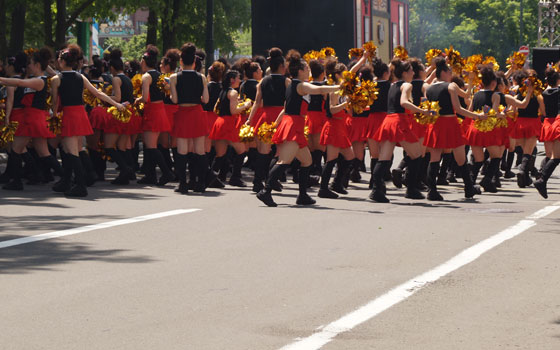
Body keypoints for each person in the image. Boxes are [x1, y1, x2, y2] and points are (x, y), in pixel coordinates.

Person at [256, 50, 340, 207]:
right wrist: (339, 87)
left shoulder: (292, 84)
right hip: (293, 125)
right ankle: (265, 191)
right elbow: (320, 89)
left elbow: (285, 108)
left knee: (307, 161)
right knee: (284, 160)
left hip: (294, 124)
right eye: (306, 69)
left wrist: (276, 124)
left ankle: (302, 195)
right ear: (300, 71)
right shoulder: (299, 85)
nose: (308, 71)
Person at [50, 44, 124, 197]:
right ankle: (69, 180)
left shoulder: (56, 79)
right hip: (80, 113)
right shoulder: (80, 76)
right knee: (74, 148)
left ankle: (80, 185)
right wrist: (116, 104)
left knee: (71, 151)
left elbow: (54, 101)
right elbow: (97, 93)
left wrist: (54, 114)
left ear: (62, 62)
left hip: (69, 114)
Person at [423, 57, 485, 200]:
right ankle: (468, 188)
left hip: (435, 123)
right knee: (460, 158)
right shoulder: (451, 86)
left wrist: (469, 81)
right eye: (450, 71)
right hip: (450, 123)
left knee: (434, 158)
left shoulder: (429, 87)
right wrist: (476, 116)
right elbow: (460, 106)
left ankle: (432, 190)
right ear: (444, 72)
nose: (451, 74)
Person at [0, 48, 61, 191]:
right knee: (43, 152)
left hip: (33, 118)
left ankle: (16, 181)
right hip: (33, 117)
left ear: (38, 65)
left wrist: (1, 79)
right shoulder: (38, 79)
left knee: (16, 149)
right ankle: (66, 177)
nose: (29, 66)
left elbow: (19, 83)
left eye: (31, 63)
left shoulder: (39, 81)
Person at [369, 58, 429, 203]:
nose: (413, 72)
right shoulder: (407, 85)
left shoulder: (392, 85)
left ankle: (376, 190)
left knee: (383, 158)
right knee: (416, 156)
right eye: (411, 70)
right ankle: (411, 189)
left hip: (388, 121)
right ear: (404, 73)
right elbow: (403, 102)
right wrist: (422, 111)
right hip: (399, 122)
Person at [169, 43, 210, 194]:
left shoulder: (174, 77)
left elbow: (174, 100)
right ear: (194, 62)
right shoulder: (202, 77)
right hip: (197, 113)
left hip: (182, 113)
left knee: (182, 150)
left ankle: (183, 183)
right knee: (200, 150)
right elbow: (205, 99)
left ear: (181, 61)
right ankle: (201, 182)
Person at [135, 45, 175, 186]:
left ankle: (166, 172)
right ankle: (151, 175)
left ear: (145, 61)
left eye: (141, 60)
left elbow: (145, 98)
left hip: (152, 110)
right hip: (160, 109)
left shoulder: (146, 76)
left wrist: (137, 100)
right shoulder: (160, 75)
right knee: (150, 144)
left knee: (151, 146)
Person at [209, 69, 252, 187]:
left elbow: (215, 108)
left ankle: (211, 178)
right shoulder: (232, 92)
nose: (240, 80)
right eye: (238, 78)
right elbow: (234, 111)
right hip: (228, 124)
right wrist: (245, 105)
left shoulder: (223, 91)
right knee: (241, 150)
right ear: (232, 80)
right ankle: (235, 177)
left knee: (220, 154)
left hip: (220, 122)